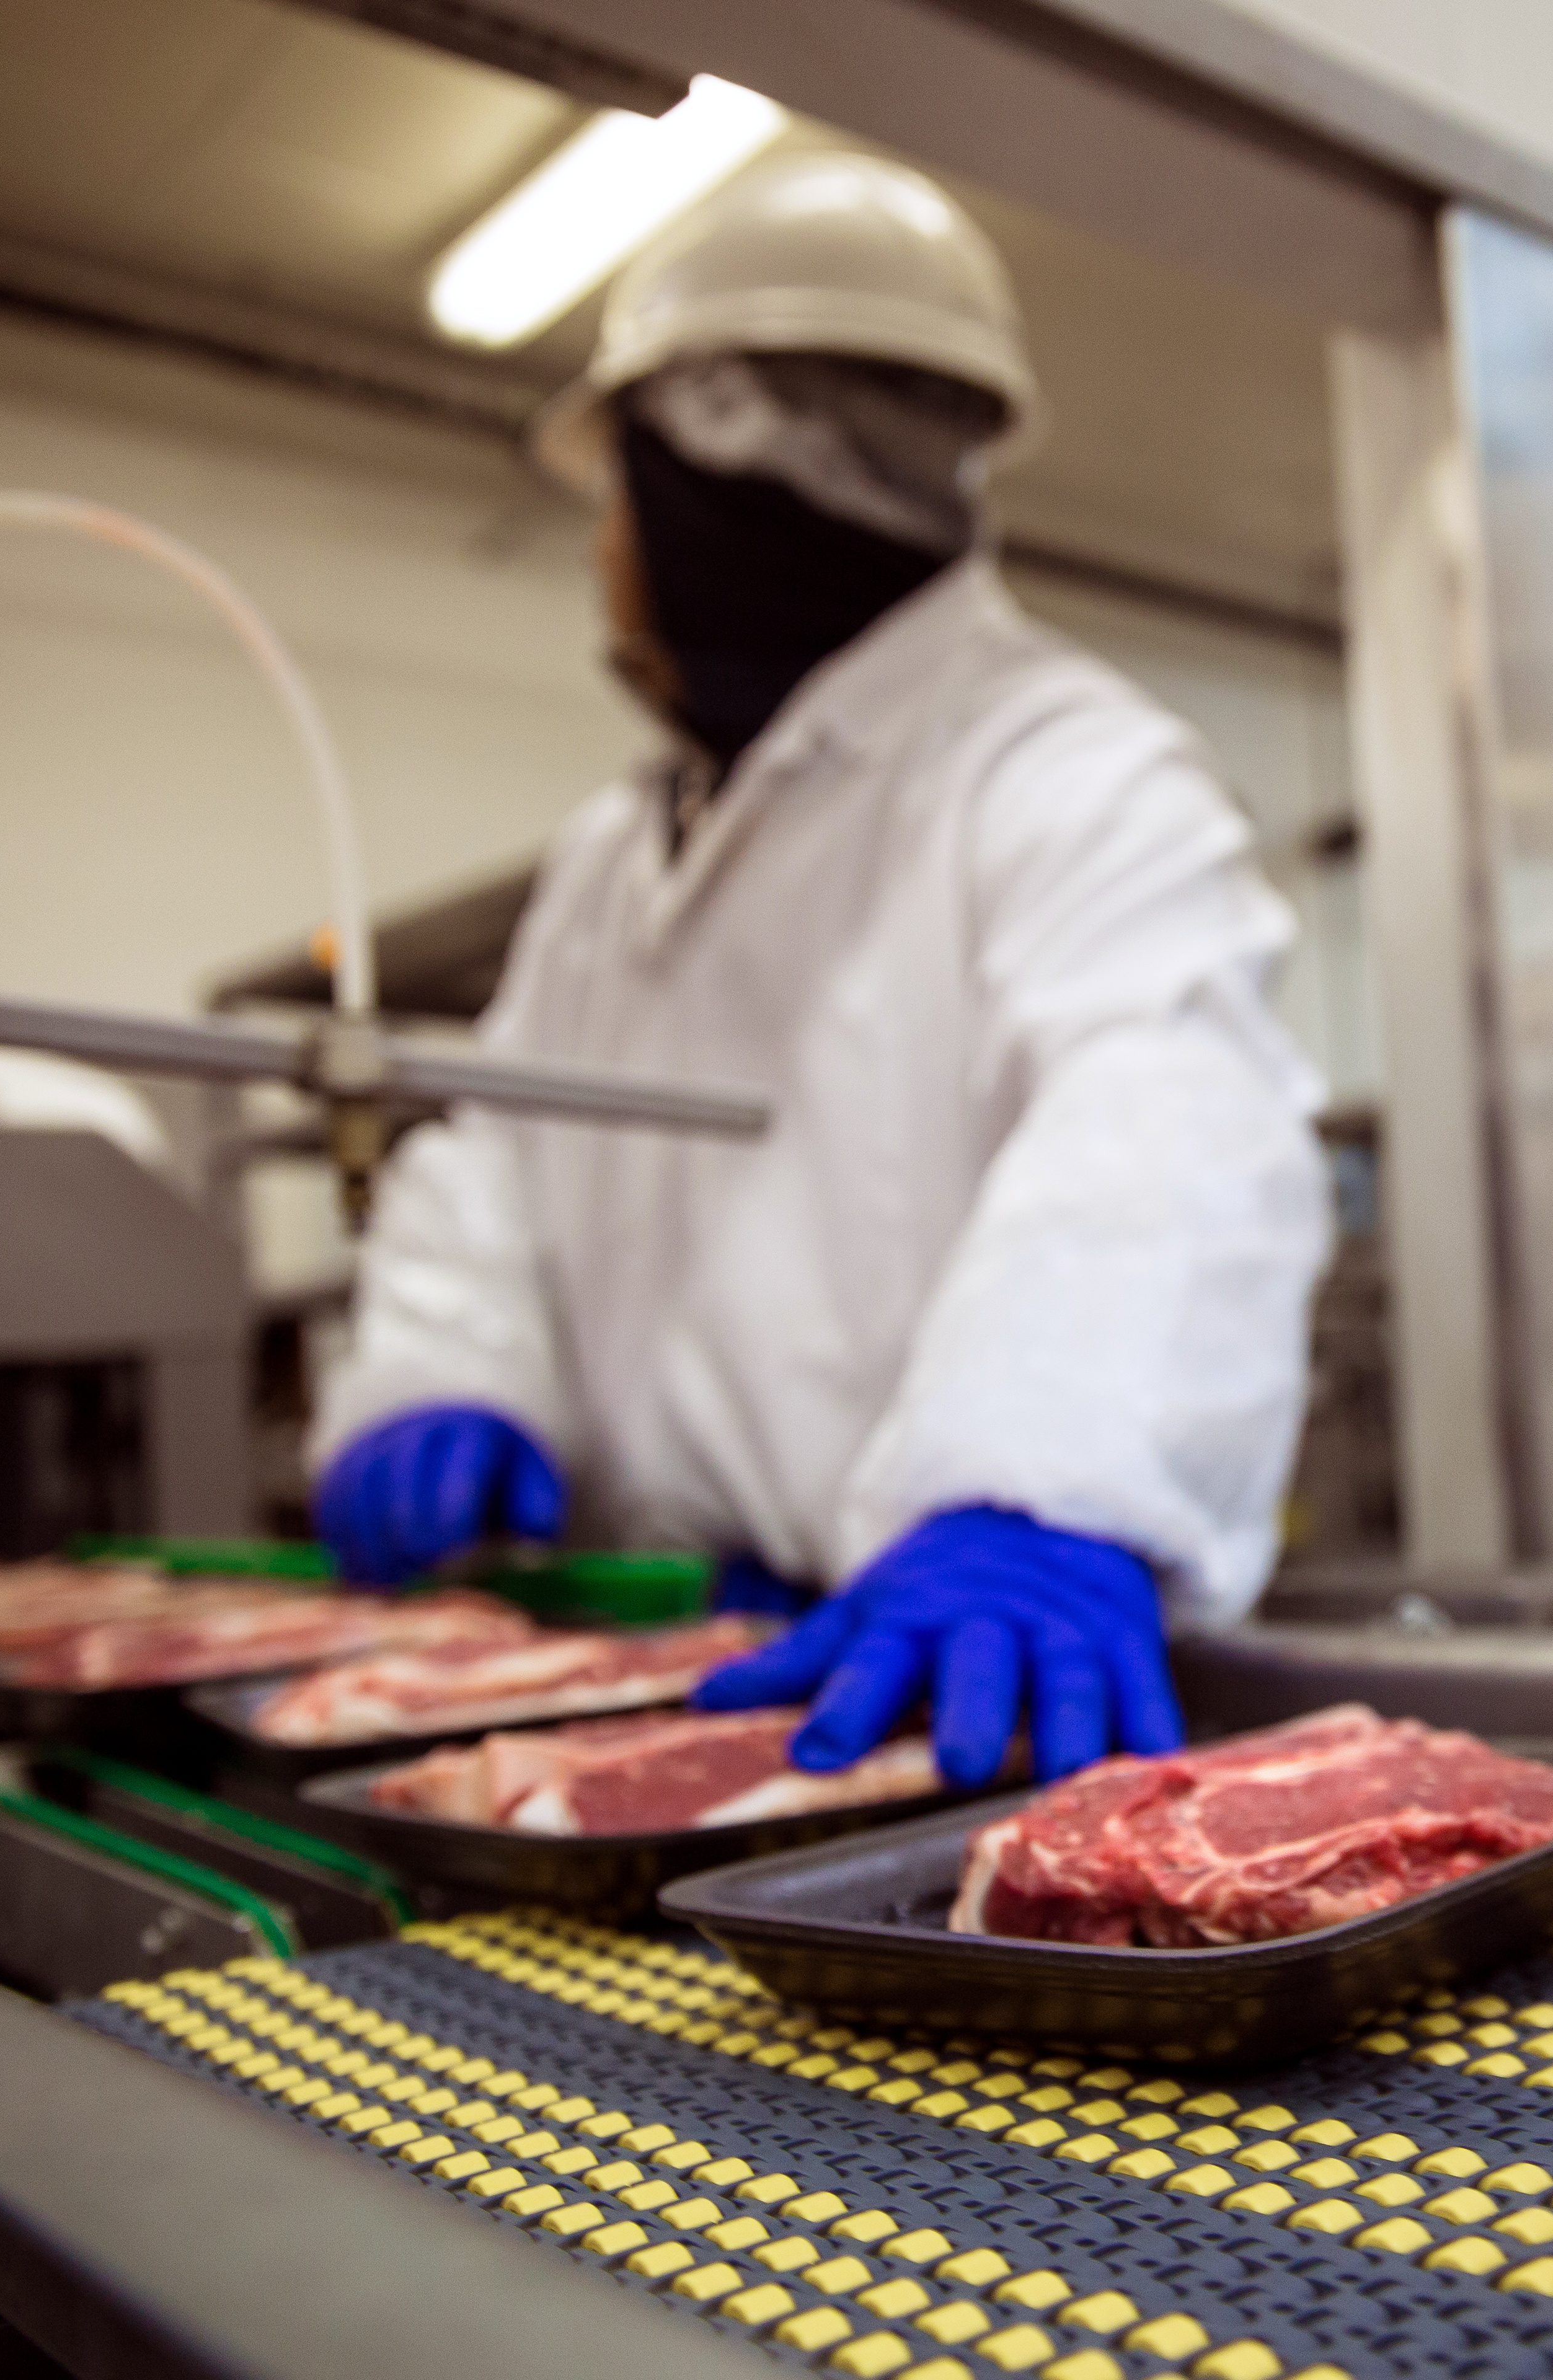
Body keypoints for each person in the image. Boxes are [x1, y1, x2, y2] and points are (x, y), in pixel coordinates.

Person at [309, 151, 1330, 1792]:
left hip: (944, 1676)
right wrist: (443, 1371)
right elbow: (501, 1152)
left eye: (616, 499)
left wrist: (1034, 1488)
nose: (599, 561)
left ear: (712, 473)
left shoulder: (1063, 770)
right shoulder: (608, 857)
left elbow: (1169, 1110)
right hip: (658, 1667)